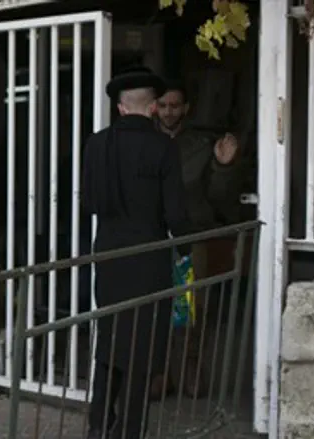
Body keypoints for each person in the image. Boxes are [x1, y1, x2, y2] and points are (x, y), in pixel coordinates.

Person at [82, 67, 193, 439]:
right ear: (153, 108)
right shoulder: (163, 147)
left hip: (109, 257)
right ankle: (128, 430)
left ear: (119, 108)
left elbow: (91, 203)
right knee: (141, 350)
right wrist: (186, 248)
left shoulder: (96, 144)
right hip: (149, 258)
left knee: (111, 340)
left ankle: (98, 424)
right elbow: (176, 214)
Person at [151, 79, 245, 400]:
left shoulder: (202, 145)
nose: (168, 112)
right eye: (162, 105)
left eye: (174, 105)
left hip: (189, 239)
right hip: (152, 239)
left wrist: (223, 165)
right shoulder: (145, 141)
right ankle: (161, 372)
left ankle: (191, 366)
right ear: (154, 107)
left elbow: (219, 197)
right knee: (155, 307)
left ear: (186, 108)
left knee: (190, 307)